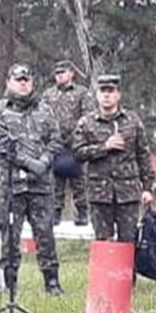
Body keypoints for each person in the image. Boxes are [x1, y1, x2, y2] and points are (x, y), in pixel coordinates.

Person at [0, 63, 64, 295]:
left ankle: (52, 282)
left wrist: (45, 161)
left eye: (26, 80)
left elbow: (56, 140)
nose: (23, 84)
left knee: (45, 234)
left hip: (41, 186)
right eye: (18, 80)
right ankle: (11, 284)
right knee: (10, 235)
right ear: (8, 82)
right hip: (11, 186)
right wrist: (31, 164)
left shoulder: (45, 110)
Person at [72, 75, 154, 244]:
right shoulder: (86, 123)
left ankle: (127, 272)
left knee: (129, 243)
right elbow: (78, 154)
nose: (107, 95)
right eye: (103, 91)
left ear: (118, 95)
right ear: (97, 95)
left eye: (111, 91)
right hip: (99, 194)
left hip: (128, 194)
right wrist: (104, 147)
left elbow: (143, 155)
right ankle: (106, 272)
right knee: (103, 244)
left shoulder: (132, 121)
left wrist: (147, 187)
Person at [41, 60, 96, 226]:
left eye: (62, 72)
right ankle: (56, 213)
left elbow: (88, 116)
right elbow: (43, 116)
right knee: (56, 180)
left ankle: (82, 213)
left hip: (76, 143)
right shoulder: (48, 94)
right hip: (55, 142)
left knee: (79, 180)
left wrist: (76, 136)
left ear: (71, 73)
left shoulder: (82, 93)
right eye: (57, 73)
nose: (59, 75)